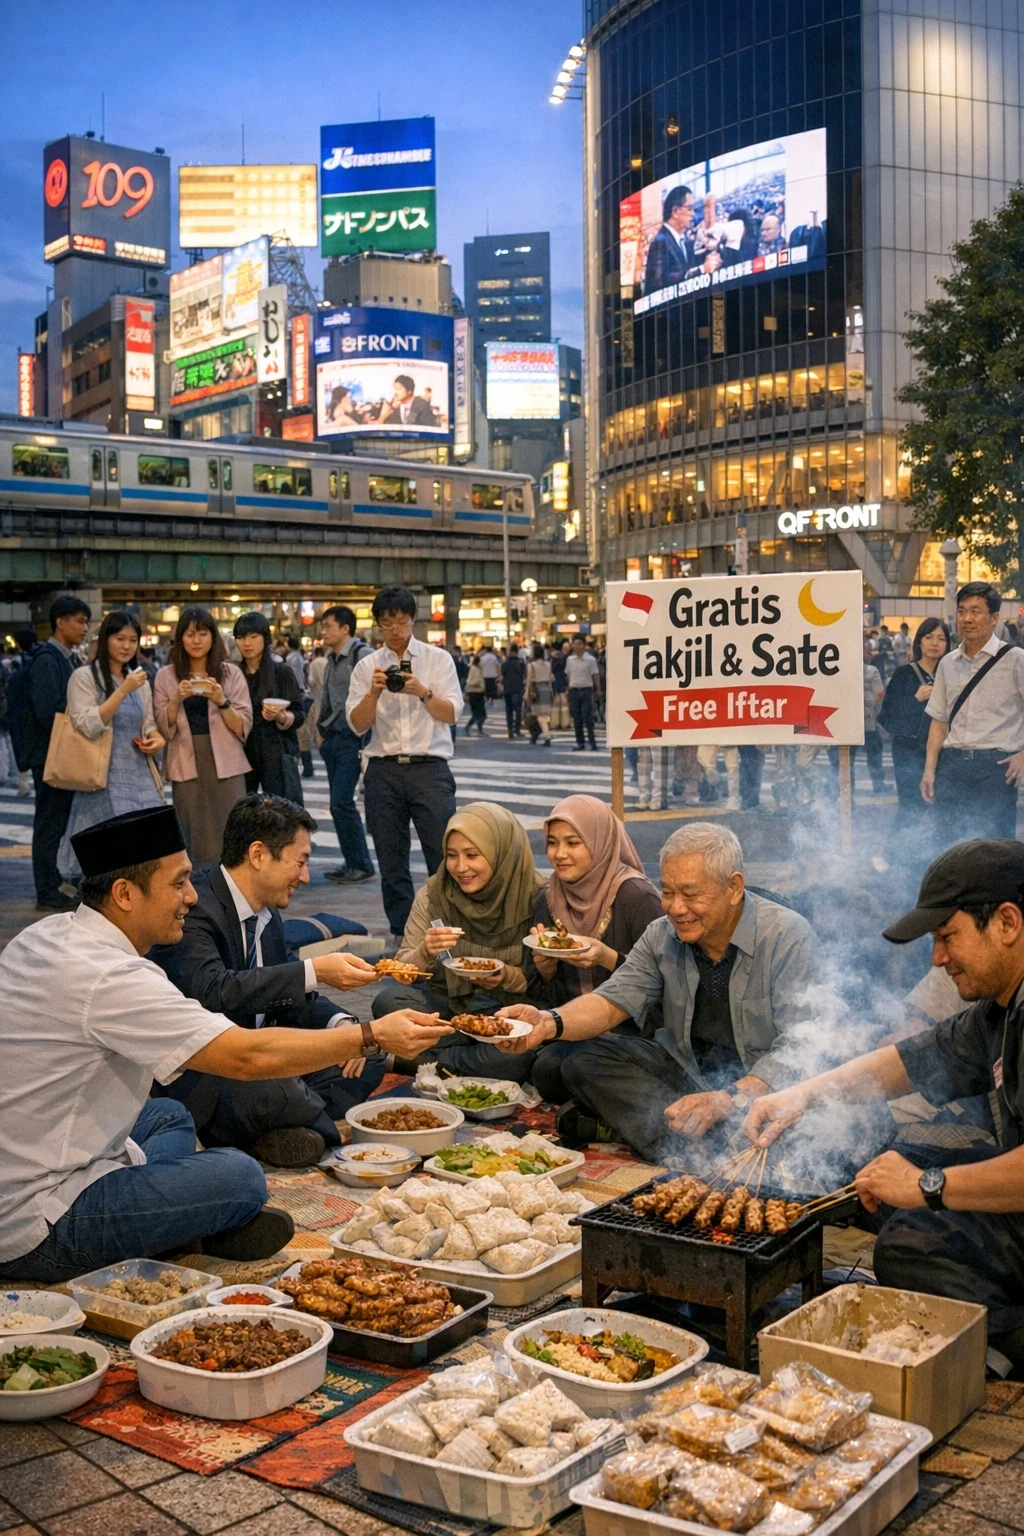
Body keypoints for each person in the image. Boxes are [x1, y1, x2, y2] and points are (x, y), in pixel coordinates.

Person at [0, 804, 453, 1284]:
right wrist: (369, 1036)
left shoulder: (48, 934)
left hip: (46, 1158)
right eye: (178, 883)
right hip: (38, 1219)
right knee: (239, 1177)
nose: (191, 896)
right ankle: (185, 1227)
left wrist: (346, 1028)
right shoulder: (108, 975)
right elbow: (245, 1055)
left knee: (167, 1117)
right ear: (125, 894)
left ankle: (178, 1221)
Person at [744, 838, 1024, 1373]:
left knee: (906, 1244)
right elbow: (909, 1062)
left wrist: (928, 1186)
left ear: (1007, 923)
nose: (937, 958)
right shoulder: (1000, 1006)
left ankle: (1005, 1343)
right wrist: (801, 1095)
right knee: (882, 1173)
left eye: (947, 937)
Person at [497, 822, 821, 1162]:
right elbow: (610, 1001)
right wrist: (547, 1022)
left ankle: (699, 1140)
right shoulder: (662, 934)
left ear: (734, 887)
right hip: (688, 1073)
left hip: (760, 1090)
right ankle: (691, 1148)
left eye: (691, 895)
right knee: (579, 1059)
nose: (676, 908)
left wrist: (728, 1098)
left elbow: (803, 1045)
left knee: (808, 1117)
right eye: (667, 892)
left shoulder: (786, 936)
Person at [153, 796, 391, 1168]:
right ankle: (311, 1126)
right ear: (258, 854)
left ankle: (286, 1128)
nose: (305, 877)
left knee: (367, 1055)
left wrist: (343, 1026)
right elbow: (215, 991)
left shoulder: (266, 910)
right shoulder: (196, 908)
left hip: (265, 1059)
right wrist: (315, 971)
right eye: (301, 861)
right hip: (215, 1073)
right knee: (275, 1089)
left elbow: (288, 991)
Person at [371, 802, 544, 1080]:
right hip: (449, 1009)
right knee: (389, 1002)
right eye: (452, 855)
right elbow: (402, 968)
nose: (460, 867)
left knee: (518, 1055)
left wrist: (505, 977)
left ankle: (423, 1062)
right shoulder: (435, 893)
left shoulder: (537, 895)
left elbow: (548, 983)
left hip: (510, 1015)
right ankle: (467, 1058)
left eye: (472, 855)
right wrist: (425, 951)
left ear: (501, 852)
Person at [526, 796, 664, 1109]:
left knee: (574, 1066)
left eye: (573, 843)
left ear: (599, 843)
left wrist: (608, 958)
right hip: (573, 1032)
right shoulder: (548, 899)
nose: (559, 854)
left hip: (637, 1036)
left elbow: (668, 987)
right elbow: (544, 998)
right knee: (545, 1069)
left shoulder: (636, 897)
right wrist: (545, 969)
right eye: (552, 843)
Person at [347, 586, 462, 937]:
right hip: (383, 769)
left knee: (442, 854)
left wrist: (422, 691)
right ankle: (402, 932)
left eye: (401, 621)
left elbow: (452, 713)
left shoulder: (437, 659)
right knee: (390, 858)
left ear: (413, 620)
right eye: (387, 623)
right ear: (378, 625)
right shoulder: (367, 666)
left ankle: (447, 929)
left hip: (430, 768)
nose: (395, 629)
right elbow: (357, 724)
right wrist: (373, 692)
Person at [60, 610, 165, 877]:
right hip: (102, 777)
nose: (126, 646)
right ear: (105, 639)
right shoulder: (84, 677)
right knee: (111, 859)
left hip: (141, 776)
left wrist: (156, 739)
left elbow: (148, 723)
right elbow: (88, 724)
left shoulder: (139, 681)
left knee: (146, 853)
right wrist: (122, 690)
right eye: (119, 638)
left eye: (132, 640)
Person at [922, 582, 1024, 840]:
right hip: (952, 766)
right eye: (962, 611)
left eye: (976, 611)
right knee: (947, 845)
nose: (967, 618)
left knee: (994, 849)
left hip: (995, 769)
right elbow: (939, 722)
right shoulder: (947, 663)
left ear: (994, 618)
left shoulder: (1016, 660)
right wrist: (930, 770)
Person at [153, 606, 253, 861]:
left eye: (202, 634)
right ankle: (197, 882)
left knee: (231, 831)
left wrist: (221, 700)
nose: (196, 640)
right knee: (192, 832)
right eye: (189, 634)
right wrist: (176, 699)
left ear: (213, 637)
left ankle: (231, 882)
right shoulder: (166, 676)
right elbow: (163, 726)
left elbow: (243, 726)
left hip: (226, 762)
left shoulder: (231, 673)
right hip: (185, 761)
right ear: (180, 639)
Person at [22, 595, 92, 910]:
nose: (84, 627)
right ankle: (46, 888)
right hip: (51, 755)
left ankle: (51, 882)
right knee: (49, 823)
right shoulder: (47, 660)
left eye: (86, 621)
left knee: (56, 821)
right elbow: (48, 710)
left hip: (58, 753)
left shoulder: (65, 659)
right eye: (79, 621)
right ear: (60, 622)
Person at [314, 604, 375, 885]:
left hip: (354, 739)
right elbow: (327, 700)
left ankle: (361, 864)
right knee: (337, 804)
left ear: (345, 628)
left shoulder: (363, 656)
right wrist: (321, 734)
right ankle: (351, 861)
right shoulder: (331, 660)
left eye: (328, 626)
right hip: (334, 739)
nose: (323, 631)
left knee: (341, 802)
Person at [878, 619, 950, 835]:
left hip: (944, 751)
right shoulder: (903, 674)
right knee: (911, 808)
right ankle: (897, 851)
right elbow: (887, 717)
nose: (934, 643)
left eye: (941, 639)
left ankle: (933, 852)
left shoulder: (951, 675)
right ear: (919, 642)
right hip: (908, 750)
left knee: (942, 807)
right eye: (929, 637)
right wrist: (914, 699)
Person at [233, 613, 303, 803]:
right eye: (240, 637)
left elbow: (299, 713)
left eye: (253, 636)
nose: (247, 643)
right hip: (241, 752)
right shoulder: (233, 674)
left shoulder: (282, 672)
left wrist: (281, 717)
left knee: (280, 809)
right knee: (242, 809)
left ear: (265, 638)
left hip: (275, 752)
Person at [643, 186, 721, 293]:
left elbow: (685, 267)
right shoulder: (660, 241)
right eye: (689, 209)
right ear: (675, 211)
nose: (693, 214)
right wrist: (702, 269)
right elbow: (659, 282)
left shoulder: (681, 239)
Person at [567, 634, 601, 752]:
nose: (577, 646)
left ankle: (592, 742)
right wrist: (568, 688)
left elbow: (595, 674)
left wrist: (598, 689)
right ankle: (580, 742)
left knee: (588, 717)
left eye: (579, 644)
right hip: (574, 690)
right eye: (575, 644)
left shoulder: (590, 660)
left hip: (587, 690)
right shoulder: (570, 660)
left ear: (583, 645)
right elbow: (569, 674)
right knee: (577, 718)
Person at [525, 642, 553, 746]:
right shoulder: (548, 664)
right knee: (545, 715)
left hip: (537, 689)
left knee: (539, 716)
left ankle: (547, 736)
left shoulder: (531, 665)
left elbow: (529, 680)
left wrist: (526, 692)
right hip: (547, 689)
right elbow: (550, 678)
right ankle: (546, 734)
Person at [502, 643, 526, 739]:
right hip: (518, 688)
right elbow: (523, 674)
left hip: (507, 688)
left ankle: (510, 730)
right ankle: (517, 729)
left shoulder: (505, 663)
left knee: (509, 710)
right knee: (518, 710)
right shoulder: (521, 663)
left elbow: (502, 672)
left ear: (511, 651)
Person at [464, 653, 487, 735]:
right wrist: (477, 683)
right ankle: (469, 727)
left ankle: (479, 729)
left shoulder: (477, 669)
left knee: (480, 714)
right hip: (475, 693)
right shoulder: (475, 669)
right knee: (478, 713)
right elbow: (471, 681)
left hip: (478, 692)